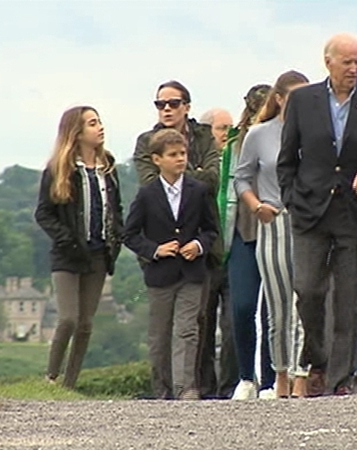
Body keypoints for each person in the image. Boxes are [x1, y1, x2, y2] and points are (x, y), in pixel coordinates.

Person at [277, 33, 357, 396]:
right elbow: (287, 159)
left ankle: (339, 380)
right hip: (310, 210)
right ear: (328, 62)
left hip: (353, 213)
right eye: (347, 62)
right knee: (307, 289)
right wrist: (291, 198)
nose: (354, 69)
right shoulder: (302, 101)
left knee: (347, 300)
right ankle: (318, 356)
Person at [132, 80, 221, 397]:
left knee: (195, 325)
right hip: (159, 260)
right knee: (160, 332)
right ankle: (163, 391)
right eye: (160, 104)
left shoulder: (204, 135)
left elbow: (212, 180)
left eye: (172, 103)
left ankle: (194, 388)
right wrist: (154, 250)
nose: (166, 109)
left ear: (187, 105)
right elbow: (150, 185)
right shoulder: (146, 142)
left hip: (199, 252)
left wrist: (184, 176)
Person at [35, 106, 123, 389]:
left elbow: (115, 207)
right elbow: (44, 213)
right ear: (77, 132)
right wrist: (66, 239)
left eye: (100, 121)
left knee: (86, 323)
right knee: (68, 319)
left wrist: (116, 238)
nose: (100, 127)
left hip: (98, 253)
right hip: (68, 255)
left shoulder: (107, 166)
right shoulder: (59, 169)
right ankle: (51, 376)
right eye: (92, 123)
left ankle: (69, 384)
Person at [235, 70, 310, 398]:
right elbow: (241, 178)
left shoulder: (316, 133)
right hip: (273, 224)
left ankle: (301, 377)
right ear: (279, 98)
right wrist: (255, 206)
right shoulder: (259, 134)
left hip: (307, 225)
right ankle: (279, 376)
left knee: (304, 303)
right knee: (277, 306)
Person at [224, 84, 278, 400]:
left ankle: (271, 379)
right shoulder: (235, 144)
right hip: (243, 231)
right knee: (243, 306)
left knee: (274, 309)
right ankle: (246, 376)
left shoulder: (284, 139)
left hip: (276, 231)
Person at [195, 107, 239, 399]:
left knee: (234, 322)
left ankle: (230, 386)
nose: (228, 134)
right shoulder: (201, 167)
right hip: (206, 255)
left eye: (231, 128)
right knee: (203, 323)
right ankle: (204, 387)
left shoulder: (239, 160)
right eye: (223, 128)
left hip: (235, 251)